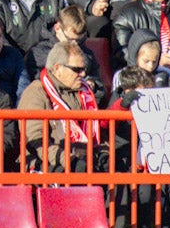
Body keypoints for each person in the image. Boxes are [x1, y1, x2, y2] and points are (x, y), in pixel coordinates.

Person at [18, 41, 108, 172]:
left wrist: (104, 153)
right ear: (57, 68)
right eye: (77, 69)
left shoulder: (84, 92)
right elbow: (34, 139)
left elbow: (98, 132)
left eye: (84, 69)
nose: (83, 74)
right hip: (46, 161)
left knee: (117, 177)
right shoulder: (36, 92)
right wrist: (67, 159)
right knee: (79, 172)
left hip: (83, 156)